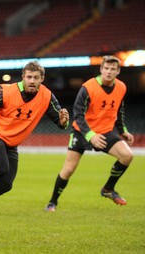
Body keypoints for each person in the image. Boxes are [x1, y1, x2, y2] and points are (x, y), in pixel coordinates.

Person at [0, 61, 69, 211]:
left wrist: (63, 121)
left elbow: (60, 121)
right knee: (0, 168)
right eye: (29, 77)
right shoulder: (6, 91)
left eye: (36, 77)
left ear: (42, 79)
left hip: (11, 144)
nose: (32, 81)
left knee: (6, 184)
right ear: (23, 77)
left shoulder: (47, 96)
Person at [45, 55, 134, 212]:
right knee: (69, 169)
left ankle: (108, 189)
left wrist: (123, 131)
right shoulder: (88, 87)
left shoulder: (121, 87)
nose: (109, 72)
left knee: (127, 155)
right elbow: (78, 115)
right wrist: (90, 135)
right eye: (106, 68)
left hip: (105, 131)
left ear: (118, 71)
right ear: (101, 69)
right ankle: (52, 202)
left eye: (113, 69)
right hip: (82, 132)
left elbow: (119, 111)